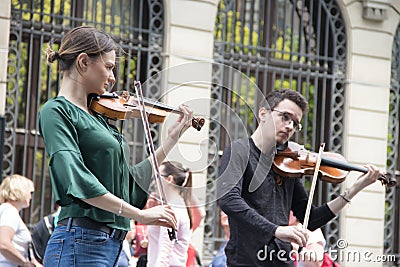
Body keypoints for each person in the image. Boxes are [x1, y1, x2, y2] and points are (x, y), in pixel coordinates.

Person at [39, 26, 193, 267]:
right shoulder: (56, 112)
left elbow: (127, 185)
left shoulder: (100, 117)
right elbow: (77, 180)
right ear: (83, 62)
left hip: (111, 246)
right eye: (109, 67)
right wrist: (140, 216)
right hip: (80, 242)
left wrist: (170, 140)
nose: (113, 78)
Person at [217, 89, 385, 266]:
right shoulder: (239, 151)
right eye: (285, 117)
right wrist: (276, 230)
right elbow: (229, 200)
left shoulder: (288, 164)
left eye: (295, 123)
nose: (290, 126)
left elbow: (311, 219)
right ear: (263, 113)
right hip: (247, 262)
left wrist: (353, 191)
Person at [147, 161, 193, 267]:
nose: (154, 182)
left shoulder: (172, 209)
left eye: (158, 177)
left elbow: (165, 252)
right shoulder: (180, 205)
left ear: (169, 179)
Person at [0, 174, 42, 267]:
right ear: (19, 190)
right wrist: (25, 263)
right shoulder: (9, 211)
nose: (30, 196)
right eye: (29, 192)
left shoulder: (8, 210)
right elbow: (3, 243)